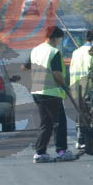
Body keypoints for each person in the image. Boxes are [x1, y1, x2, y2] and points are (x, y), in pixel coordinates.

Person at [24, 26, 74, 163]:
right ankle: (61, 151)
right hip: (51, 92)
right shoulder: (54, 52)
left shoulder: (36, 50)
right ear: (55, 38)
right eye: (59, 39)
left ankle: (40, 153)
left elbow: (26, 66)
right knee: (60, 123)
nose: (59, 42)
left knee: (46, 123)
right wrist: (64, 86)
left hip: (37, 91)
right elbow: (57, 74)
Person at [69, 28, 93, 149]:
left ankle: (80, 138)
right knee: (89, 113)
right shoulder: (92, 53)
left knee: (80, 112)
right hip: (88, 87)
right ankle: (85, 138)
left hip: (75, 86)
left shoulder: (76, 52)